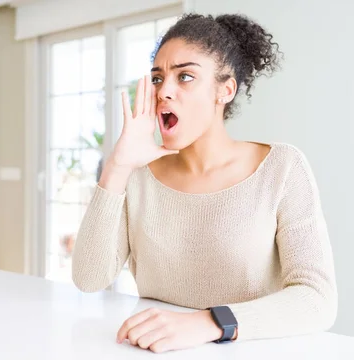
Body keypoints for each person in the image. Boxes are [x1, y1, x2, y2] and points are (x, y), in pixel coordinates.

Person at [71, 13, 338, 354]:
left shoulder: (282, 168)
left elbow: (317, 299)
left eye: (185, 77)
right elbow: (89, 279)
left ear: (224, 91)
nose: (164, 91)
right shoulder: (138, 175)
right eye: (157, 79)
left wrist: (209, 323)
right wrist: (118, 166)